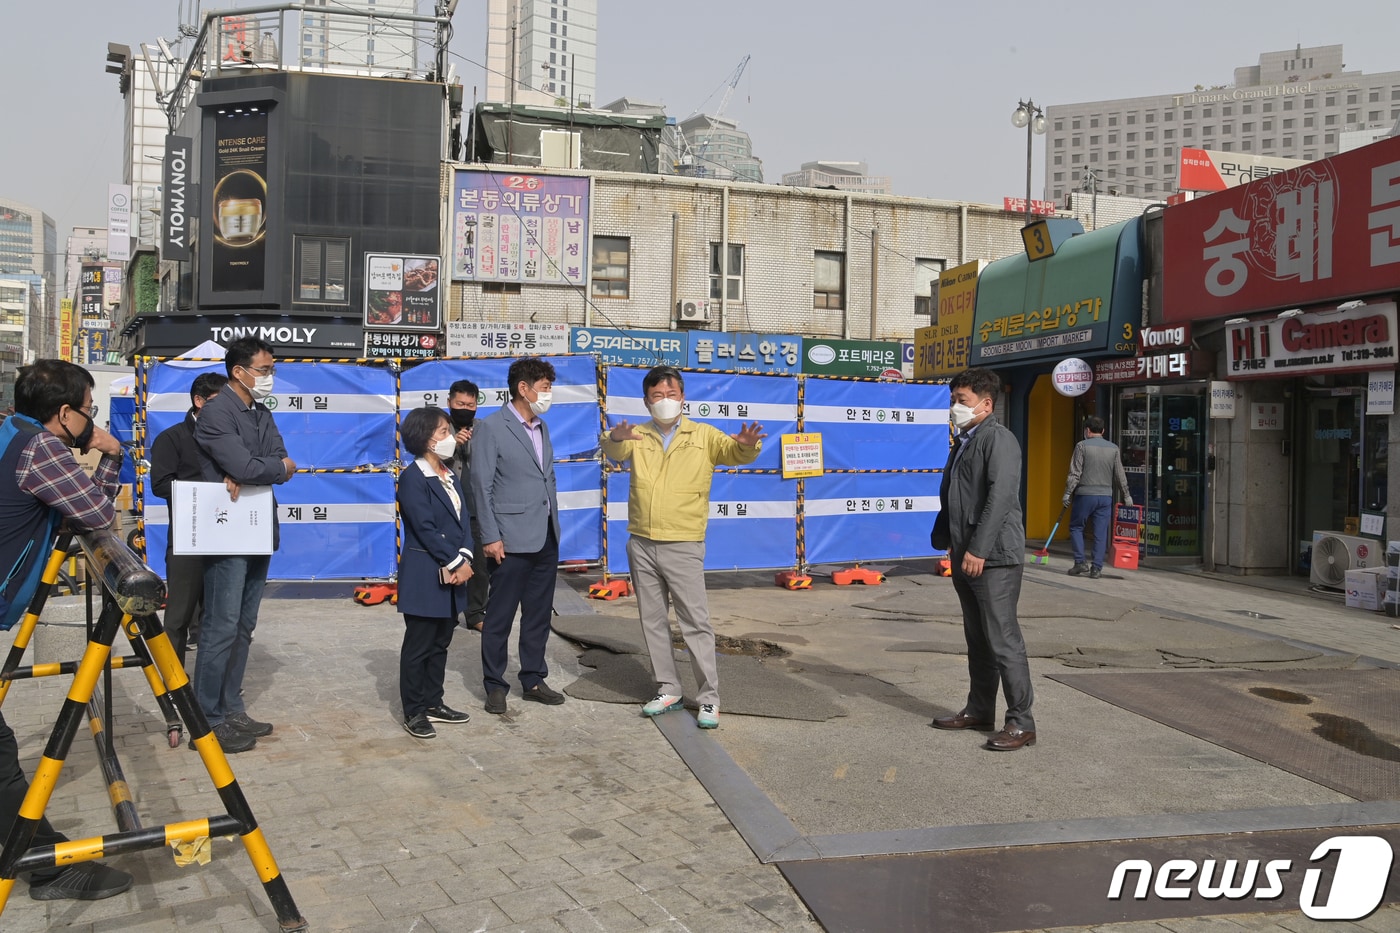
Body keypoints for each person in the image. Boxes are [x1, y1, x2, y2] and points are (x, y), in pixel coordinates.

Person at [0, 360, 133, 900]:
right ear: (64, 414)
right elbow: (95, 513)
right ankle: (47, 868)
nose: (92, 420)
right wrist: (112, 452)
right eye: (88, 411)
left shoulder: (11, 430)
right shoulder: (41, 448)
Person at [601, 366, 764, 730]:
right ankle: (668, 689)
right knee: (653, 621)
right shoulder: (638, 434)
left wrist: (747, 444)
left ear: (683, 397)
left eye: (671, 394)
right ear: (647, 401)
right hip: (642, 541)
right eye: (657, 396)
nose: (665, 401)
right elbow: (614, 449)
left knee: (695, 623)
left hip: (683, 541)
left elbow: (734, 452)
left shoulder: (702, 435)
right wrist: (614, 436)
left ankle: (709, 698)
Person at [192, 338, 296, 753]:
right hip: (227, 530)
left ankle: (231, 706)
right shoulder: (217, 412)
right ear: (239, 372)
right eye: (264, 370)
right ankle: (207, 718)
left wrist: (261, 469)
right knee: (221, 625)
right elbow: (249, 465)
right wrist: (263, 468)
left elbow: (279, 457)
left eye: (271, 369)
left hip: (257, 526)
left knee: (244, 625)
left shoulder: (261, 412)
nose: (270, 377)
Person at [929, 367, 1036, 752]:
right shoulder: (964, 441)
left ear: (986, 404)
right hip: (966, 553)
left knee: (1003, 639)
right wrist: (951, 541)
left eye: (962, 400)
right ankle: (978, 709)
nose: (955, 407)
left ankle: (1021, 722)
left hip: (994, 557)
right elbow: (956, 496)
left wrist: (979, 549)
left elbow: (1001, 497)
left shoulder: (998, 439)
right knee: (978, 639)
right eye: (953, 400)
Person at [468, 357, 565, 714]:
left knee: (538, 615)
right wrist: (490, 536)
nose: (549, 394)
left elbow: (546, 477)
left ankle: (533, 679)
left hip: (545, 535)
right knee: (499, 617)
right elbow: (481, 485)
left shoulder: (542, 427)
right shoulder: (492, 427)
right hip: (508, 540)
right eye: (544, 387)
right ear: (523, 388)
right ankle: (495, 685)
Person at [395, 407, 475, 739]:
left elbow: (464, 521)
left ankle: (433, 701)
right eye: (443, 431)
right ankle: (414, 710)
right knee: (419, 645)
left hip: (455, 572)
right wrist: (456, 562)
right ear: (427, 438)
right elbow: (425, 529)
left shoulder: (449, 474)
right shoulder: (412, 478)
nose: (449, 436)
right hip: (426, 574)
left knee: (441, 641)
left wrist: (465, 556)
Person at [149, 372, 227, 664]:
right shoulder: (172, 438)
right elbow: (160, 485)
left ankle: (213, 682)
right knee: (178, 618)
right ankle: (173, 682)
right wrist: (207, 491)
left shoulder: (232, 439)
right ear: (199, 401)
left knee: (218, 618)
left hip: (226, 539)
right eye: (220, 402)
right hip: (187, 540)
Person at [1061, 415, 1133, 580]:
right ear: (1103, 431)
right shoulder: (1113, 448)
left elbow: (1075, 472)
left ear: (1087, 430)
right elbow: (1120, 474)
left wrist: (1067, 492)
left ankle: (1080, 562)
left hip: (1085, 494)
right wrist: (1126, 495)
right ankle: (1096, 568)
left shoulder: (1081, 446)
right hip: (1105, 496)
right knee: (1101, 533)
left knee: (1076, 527)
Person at [445, 380, 489, 634]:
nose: (465, 408)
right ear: (449, 402)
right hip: (448, 510)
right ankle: (446, 613)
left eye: (470, 405)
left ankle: (476, 613)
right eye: (460, 403)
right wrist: (451, 443)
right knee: (447, 563)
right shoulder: (439, 427)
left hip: (477, 509)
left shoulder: (483, 429)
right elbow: (426, 456)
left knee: (480, 567)